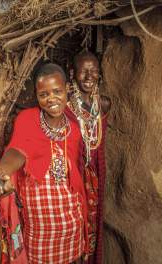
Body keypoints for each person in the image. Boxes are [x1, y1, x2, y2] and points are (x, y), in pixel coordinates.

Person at [0, 63, 89, 264]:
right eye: (44, 94)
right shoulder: (28, 119)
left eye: (57, 91)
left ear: (67, 88)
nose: (51, 99)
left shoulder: (74, 125)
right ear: (36, 95)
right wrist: (1, 171)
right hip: (40, 228)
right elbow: (17, 150)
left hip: (71, 223)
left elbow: (75, 173)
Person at [65, 51, 109, 264]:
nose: (90, 76)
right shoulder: (62, 107)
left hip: (92, 181)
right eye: (84, 71)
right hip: (69, 182)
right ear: (73, 73)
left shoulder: (103, 105)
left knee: (90, 228)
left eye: (94, 71)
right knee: (70, 231)